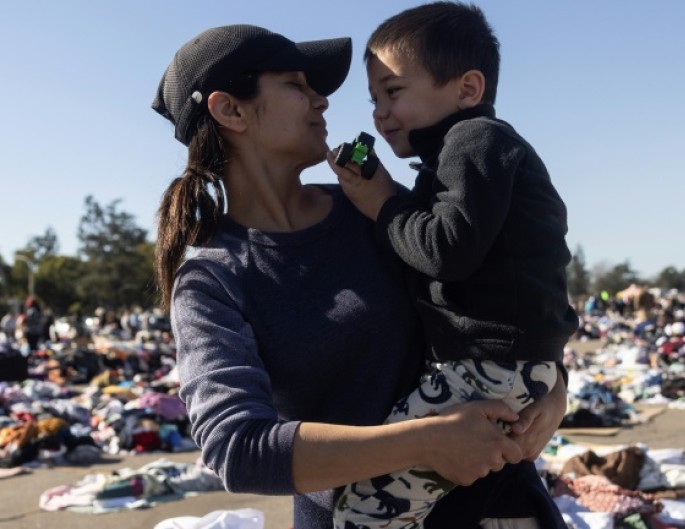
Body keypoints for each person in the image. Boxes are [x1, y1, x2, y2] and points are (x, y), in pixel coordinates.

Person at [151, 24, 568, 529]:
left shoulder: (372, 205)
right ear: (230, 110)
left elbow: (502, 293)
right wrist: (428, 440)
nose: (322, 101)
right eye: (296, 85)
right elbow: (238, 450)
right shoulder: (214, 278)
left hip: (499, 505)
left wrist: (553, 385)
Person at [328, 3, 578, 527]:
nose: (379, 113)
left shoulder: (476, 142)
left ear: (467, 89)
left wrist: (382, 202)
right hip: (499, 366)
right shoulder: (461, 155)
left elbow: (446, 251)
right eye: (373, 99)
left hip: (485, 365)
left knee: (364, 512)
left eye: (393, 92)